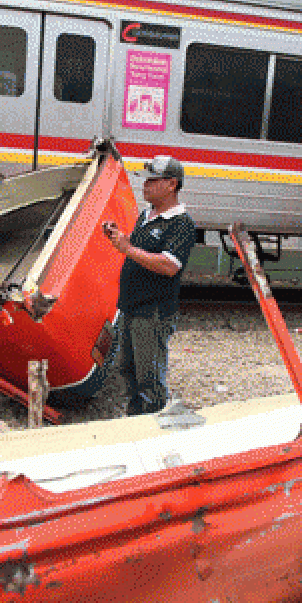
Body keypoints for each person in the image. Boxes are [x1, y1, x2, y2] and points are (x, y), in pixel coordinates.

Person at [103, 155, 196, 415]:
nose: (145, 186)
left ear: (171, 185)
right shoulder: (147, 215)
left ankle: (153, 424)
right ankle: (135, 420)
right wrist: (119, 238)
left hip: (153, 312)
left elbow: (169, 265)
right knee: (128, 370)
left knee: (149, 377)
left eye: (153, 181)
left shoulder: (182, 224)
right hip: (131, 307)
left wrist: (127, 248)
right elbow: (135, 245)